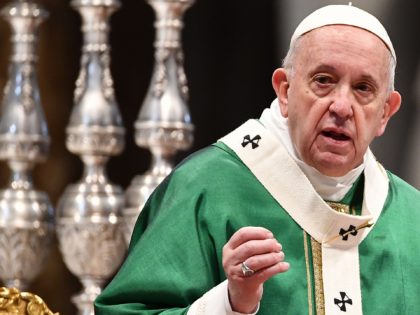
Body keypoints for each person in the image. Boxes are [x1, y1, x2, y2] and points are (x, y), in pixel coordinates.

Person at [95, 4, 420, 315]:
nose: (341, 106)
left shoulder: (411, 218)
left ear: (385, 113)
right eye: (323, 81)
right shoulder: (206, 188)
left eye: (363, 88)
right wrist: (230, 304)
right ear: (284, 90)